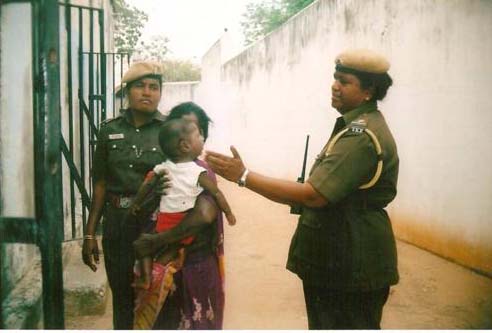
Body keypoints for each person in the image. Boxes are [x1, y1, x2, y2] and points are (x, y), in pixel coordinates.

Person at [206, 49, 399, 329]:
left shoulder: (361, 135)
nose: (335, 86)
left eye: (345, 82)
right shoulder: (355, 127)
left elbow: (314, 195)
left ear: (369, 91)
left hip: (348, 261)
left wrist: (244, 176)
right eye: (335, 79)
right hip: (340, 255)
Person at [81, 62, 218, 329]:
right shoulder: (109, 130)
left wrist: (180, 244)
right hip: (118, 225)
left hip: (156, 227)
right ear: (127, 91)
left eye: (154, 87)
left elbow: (190, 181)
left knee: (158, 300)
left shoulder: (171, 129)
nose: (147, 93)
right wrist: (89, 233)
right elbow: (100, 183)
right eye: (140, 87)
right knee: (122, 298)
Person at [132, 101, 227, 330]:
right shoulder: (162, 170)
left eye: (193, 130)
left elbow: (204, 215)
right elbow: (139, 215)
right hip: (165, 269)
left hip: (196, 268)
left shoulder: (201, 172)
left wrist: (155, 241)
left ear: (201, 135)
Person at [133, 118, 236, 289]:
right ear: (185, 146)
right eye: (199, 136)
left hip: (164, 220)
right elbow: (216, 193)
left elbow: (147, 185)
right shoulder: (198, 172)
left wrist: (136, 203)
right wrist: (229, 213)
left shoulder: (163, 167)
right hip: (184, 221)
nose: (203, 139)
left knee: (146, 248)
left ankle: (147, 276)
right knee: (173, 247)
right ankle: (161, 272)